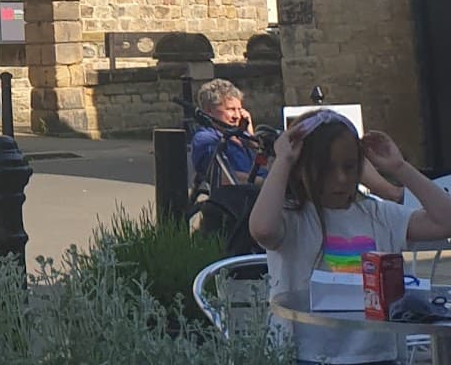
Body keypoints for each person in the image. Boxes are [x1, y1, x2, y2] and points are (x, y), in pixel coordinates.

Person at [249, 109, 451, 364]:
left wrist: (399, 168)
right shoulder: (294, 218)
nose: (341, 179)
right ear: (301, 169)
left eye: (349, 167)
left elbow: (446, 221)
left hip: (377, 354)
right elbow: (262, 229)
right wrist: (283, 161)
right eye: (326, 169)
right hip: (306, 355)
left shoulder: (379, 214)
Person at [190, 78, 259, 187]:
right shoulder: (206, 139)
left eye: (239, 110)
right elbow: (222, 177)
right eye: (230, 109)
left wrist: (251, 139)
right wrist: (267, 183)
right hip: (239, 198)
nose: (237, 116)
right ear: (209, 111)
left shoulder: (243, 138)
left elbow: (266, 166)